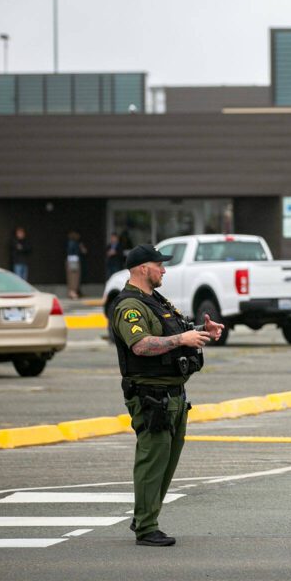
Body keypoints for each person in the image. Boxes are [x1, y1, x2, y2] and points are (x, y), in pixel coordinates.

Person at [112, 244, 224, 547]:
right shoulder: (130, 306)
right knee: (152, 461)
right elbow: (141, 345)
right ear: (141, 268)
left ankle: (145, 515)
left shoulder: (156, 301)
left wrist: (201, 331)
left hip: (173, 394)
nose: (163, 269)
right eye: (158, 264)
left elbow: (174, 333)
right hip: (151, 396)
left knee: (167, 461)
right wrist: (182, 338)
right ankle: (147, 527)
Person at [65, 231, 88, 300]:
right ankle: (73, 292)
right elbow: (82, 251)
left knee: (71, 277)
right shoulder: (75, 243)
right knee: (74, 277)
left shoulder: (69, 243)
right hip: (74, 260)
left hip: (70, 260)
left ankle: (71, 292)